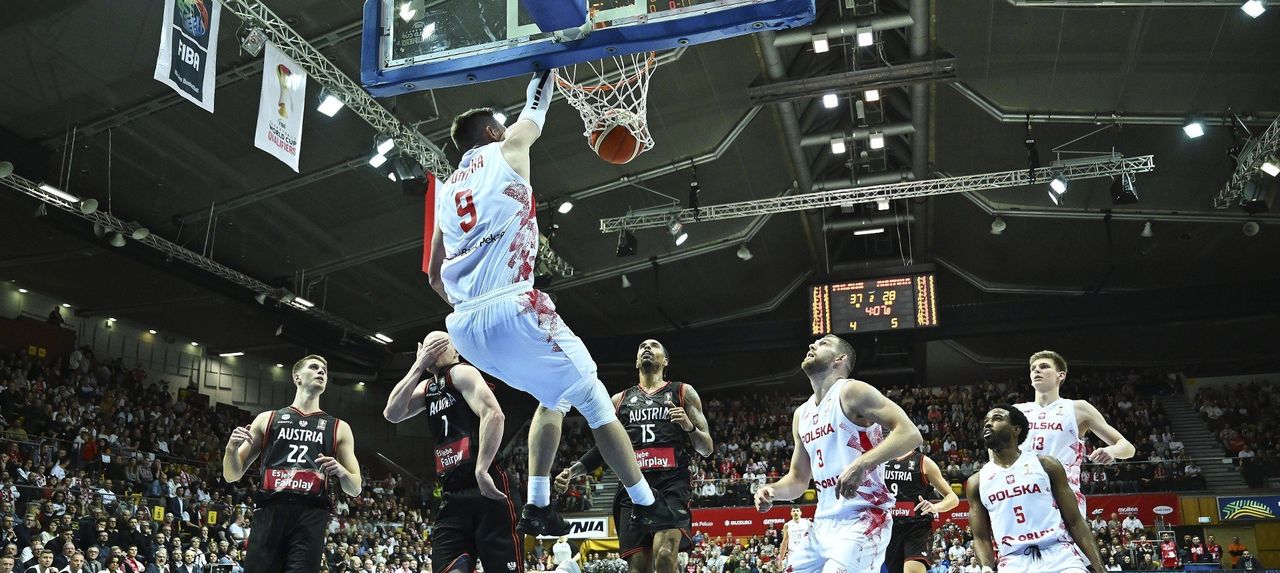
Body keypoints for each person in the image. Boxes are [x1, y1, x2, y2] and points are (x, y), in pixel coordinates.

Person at [427, 71, 677, 535]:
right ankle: (647, 502)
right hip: (512, 307)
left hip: (465, 325)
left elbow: (432, 272)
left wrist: (472, 301)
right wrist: (548, 66)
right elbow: (535, 110)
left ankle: (538, 505)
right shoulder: (507, 146)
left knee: (552, 395)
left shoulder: (445, 191)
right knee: (596, 399)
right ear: (490, 132)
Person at [753, 335, 923, 573]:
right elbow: (799, 480)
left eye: (823, 344)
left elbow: (910, 434)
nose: (812, 345)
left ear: (839, 359)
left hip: (863, 516)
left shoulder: (852, 391)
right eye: (814, 343)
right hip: (822, 525)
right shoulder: (801, 414)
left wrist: (862, 464)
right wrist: (772, 491)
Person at [555, 339, 713, 573]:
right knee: (638, 568)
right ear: (636, 361)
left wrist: (689, 427)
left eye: (655, 345)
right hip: (632, 485)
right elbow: (604, 448)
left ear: (666, 360)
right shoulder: (618, 401)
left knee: (666, 554)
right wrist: (573, 471)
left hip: (671, 483)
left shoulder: (683, 392)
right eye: (642, 347)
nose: (647, 348)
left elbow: (707, 448)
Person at [384, 332, 522, 573]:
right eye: (429, 346)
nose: (433, 351)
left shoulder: (461, 372)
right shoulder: (427, 388)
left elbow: (494, 414)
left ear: (456, 351)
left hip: (487, 486)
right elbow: (392, 413)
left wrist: (481, 469)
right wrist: (418, 365)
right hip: (452, 493)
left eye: (440, 345)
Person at [222, 354, 362, 573]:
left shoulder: (338, 427)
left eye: (324, 370)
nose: (321, 372)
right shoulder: (268, 419)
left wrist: (342, 471)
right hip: (270, 510)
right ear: (297, 377)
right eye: (314, 367)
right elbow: (232, 474)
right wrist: (230, 449)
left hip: (311, 515)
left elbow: (355, 487)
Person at [965, 405, 1105, 573]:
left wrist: (1100, 568)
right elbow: (980, 537)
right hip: (1013, 562)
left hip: (1059, 555)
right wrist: (986, 568)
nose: (988, 424)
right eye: (986, 421)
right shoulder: (977, 482)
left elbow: (1075, 521)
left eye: (997, 419)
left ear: (1016, 429)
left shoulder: (1046, 465)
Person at [1016, 351, 1135, 517]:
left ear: (1061, 375)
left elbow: (1128, 448)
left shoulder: (1078, 408)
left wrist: (1111, 451)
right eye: (1033, 368)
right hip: (1021, 497)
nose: (1037, 370)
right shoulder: (1016, 412)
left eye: (1044, 367)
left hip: (1062, 498)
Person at [884, 450, 959, 573]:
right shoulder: (881, 459)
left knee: (913, 570)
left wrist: (935, 507)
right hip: (890, 528)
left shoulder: (924, 462)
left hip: (917, 528)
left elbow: (953, 498)